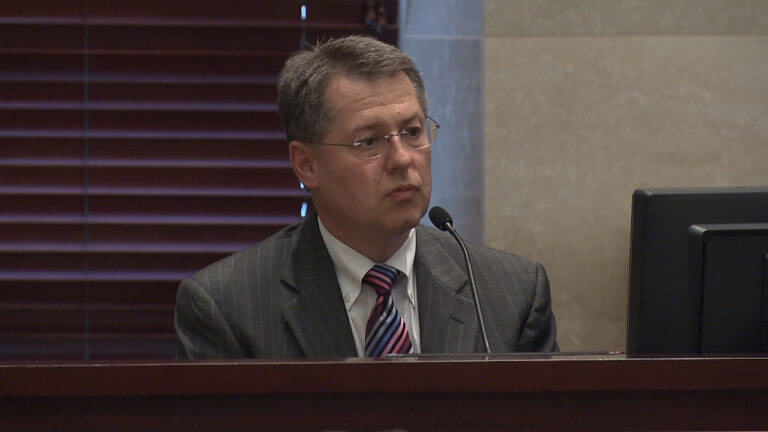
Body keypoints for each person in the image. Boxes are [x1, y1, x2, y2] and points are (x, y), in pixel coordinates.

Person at [174, 35, 557, 359]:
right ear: (307, 165)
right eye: (368, 141)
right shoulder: (228, 307)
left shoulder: (512, 293)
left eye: (411, 131)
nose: (402, 159)